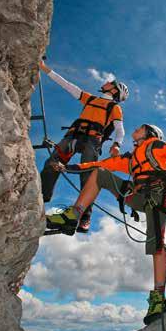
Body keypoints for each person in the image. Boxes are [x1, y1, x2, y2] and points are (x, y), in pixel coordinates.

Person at [45, 124, 166, 324]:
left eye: (141, 128)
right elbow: (102, 164)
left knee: (156, 246)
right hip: (137, 195)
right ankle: (73, 216)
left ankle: (158, 298)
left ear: (150, 133)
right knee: (100, 173)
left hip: (157, 197)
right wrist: (69, 168)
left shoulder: (157, 146)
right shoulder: (131, 158)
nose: (136, 129)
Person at [38, 59, 129, 232]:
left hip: (92, 140)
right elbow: (67, 85)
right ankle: (40, 198)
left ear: (114, 90)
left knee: (87, 177)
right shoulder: (90, 99)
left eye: (111, 83)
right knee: (52, 163)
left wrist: (117, 145)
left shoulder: (114, 107)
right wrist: (44, 68)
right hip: (73, 136)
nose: (107, 83)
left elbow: (120, 130)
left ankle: (84, 217)